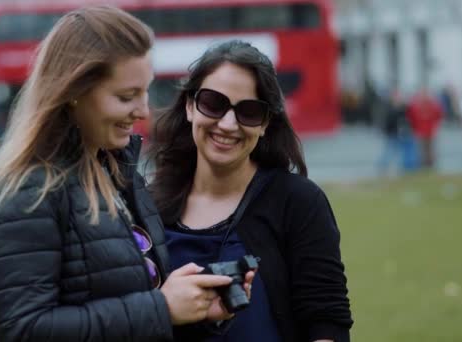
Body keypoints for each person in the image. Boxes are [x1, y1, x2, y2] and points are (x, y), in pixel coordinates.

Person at [0, 7, 252, 341]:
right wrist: (161, 307)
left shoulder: (118, 171)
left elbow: (133, 313)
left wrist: (197, 312)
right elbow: (24, 331)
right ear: (73, 90)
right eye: (126, 96)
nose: (143, 110)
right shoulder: (27, 192)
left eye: (145, 91)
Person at [148, 40, 353, 342]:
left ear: (266, 123)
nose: (228, 124)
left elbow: (327, 322)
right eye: (213, 104)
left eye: (249, 111)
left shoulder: (297, 202)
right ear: (190, 106)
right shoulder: (149, 206)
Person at [406, 87, 444, 169]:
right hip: (420, 131)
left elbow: (439, 115)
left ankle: (431, 166)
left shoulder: (433, 105)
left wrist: (435, 126)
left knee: (431, 150)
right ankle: (422, 166)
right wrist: (414, 128)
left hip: (430, 131)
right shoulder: (415, 105)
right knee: (421, 150)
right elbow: (411, 117)